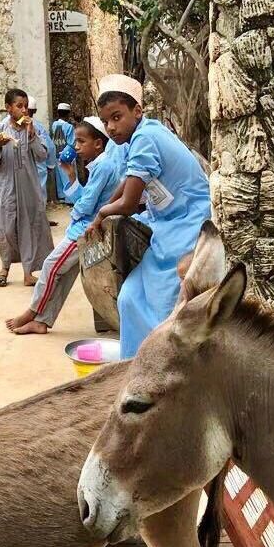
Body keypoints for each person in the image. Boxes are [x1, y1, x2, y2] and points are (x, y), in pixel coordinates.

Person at [84, 74, 211, 359]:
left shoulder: (146, 138)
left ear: (137, 111)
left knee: (163, 303)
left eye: (117, 117)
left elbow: (128, 203)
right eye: (106, 121)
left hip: (189, 223)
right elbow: (127, 183)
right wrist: (104, 210)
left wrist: (102, 212)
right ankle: (134, 362)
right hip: (166, 226)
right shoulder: (137, 138)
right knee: (129, 297)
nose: (111, 127)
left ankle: (168, 364)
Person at [5, 116, 125, 335]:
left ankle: (33, 311)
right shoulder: (101, 164)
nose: (76, 147)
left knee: (51, 266)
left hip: (84, 230)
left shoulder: (103, 166)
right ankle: (42, 321)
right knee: (65, 273)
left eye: (81, 142)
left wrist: (75, 212)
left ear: (98, 143)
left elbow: (86, 204)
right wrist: (71, 176)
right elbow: (87, 197)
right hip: (87, 226)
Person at [0, 88, 54, 287]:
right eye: (19, 106)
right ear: (8, 108)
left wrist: (32, 135)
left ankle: (28, 272)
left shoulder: (34, 128)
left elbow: (43, 155)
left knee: (29, 227)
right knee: (7, 229)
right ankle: (5, 267)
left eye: (26, 106)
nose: (24, 110)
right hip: (7, 188)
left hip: (28, 187)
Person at [26, 97, 57, 208]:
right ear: (35, 111)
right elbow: (50, 147)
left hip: (23, 168)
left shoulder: (9, 125)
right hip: (39, 166)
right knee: (39, 193)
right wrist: (50, 164)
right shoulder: (39, 127)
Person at [51, 103, 78, 205]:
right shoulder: (69, 127)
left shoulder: (54, 125)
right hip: (67, 154)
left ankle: (62, 196)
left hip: (56, 153)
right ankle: (70, 198)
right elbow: (71, 143)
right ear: (68, 114)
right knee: (69, 174)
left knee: (59, 176)